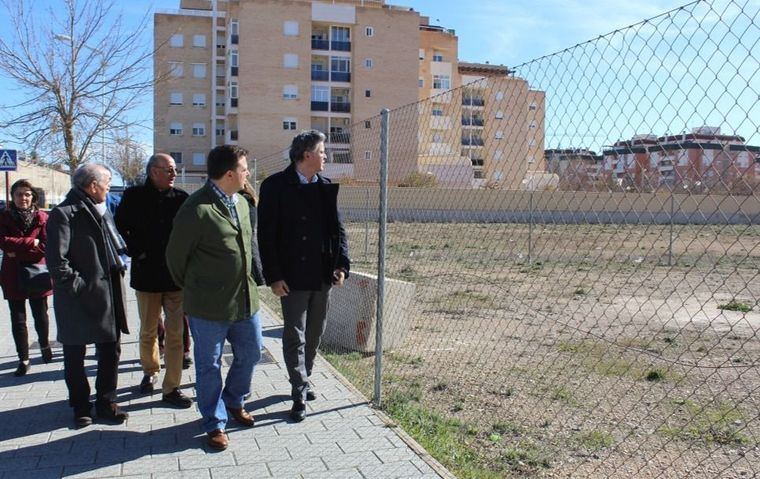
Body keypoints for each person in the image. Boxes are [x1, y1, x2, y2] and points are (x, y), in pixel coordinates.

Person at [167, 145, 262, 451]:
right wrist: (198, 287)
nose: (248, 174)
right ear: (230, 173)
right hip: (208, 307)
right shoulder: (196, 208)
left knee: (251, 353)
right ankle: (214, 422)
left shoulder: (244, 203)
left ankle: (234, 400)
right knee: (209, 366)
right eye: (245, 169)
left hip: (246, 302)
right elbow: (175, 258)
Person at [258, 130, 350, 422]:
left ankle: (304, 376)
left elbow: (338, 231)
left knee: (315, 332)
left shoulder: (324, 186)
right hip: (292, 275)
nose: (326, 156)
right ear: (307, 154)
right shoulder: (274, 186)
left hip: (323, 274)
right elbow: (266, 235)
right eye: (322, 151)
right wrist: (273, 276)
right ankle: (299, 391)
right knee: (293, 334)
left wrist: (342, 265)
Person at [46, 164, 130, 428]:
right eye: (106, 182)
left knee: (109, 351)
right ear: (93, 185)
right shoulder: (64, 214)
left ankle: (106, 402)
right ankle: (81, 406)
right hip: (78, 300)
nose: (108, 187)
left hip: (107, 295)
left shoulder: (102, 210)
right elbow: (57, 262)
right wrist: (81, 287)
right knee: (75, 355)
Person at [115, 153, 192, 408]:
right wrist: (137, 251)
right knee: (148, 329)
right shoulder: (133, 196)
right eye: (169, 169)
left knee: (175, 333)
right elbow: (119, 227)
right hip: (147, 275)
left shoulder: (181, 198)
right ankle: (150, 371)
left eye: (175, 169)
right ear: (153, 172)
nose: (174, 174)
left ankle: (172, 386)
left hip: (175, 277)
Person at [0, 179, 53, 376]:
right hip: (11, 274)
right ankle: (23, 358)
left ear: (33, 197)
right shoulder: (4, 217)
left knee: (40, 314)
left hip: (37, 272)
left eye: (27, 194)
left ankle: (45, 346)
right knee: (18, 319)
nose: (23, 198)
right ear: (12, 197)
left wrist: (19, 249)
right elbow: (3, 242)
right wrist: (32, 242)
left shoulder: (42, 217)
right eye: (19, 194)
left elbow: (46, 246)